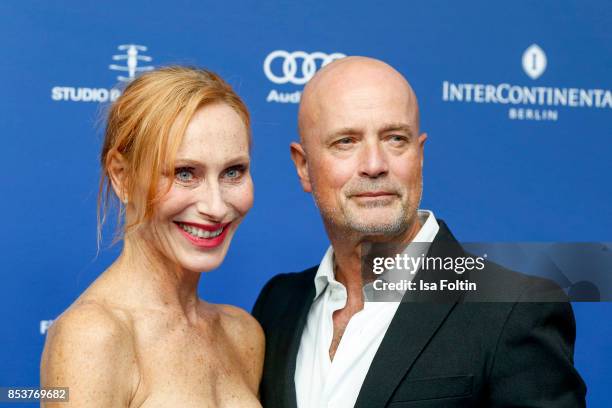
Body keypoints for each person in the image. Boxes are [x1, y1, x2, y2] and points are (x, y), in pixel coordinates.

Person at [252, 57, 586, 407]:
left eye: (395, 139)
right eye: (346, 142)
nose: (375, 165)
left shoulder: (513, 307)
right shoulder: (278, 304)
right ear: (303, 166)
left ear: (419, 155)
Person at [40, 66, 264, 407]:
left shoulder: (243, 334)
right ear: (122, 177)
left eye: (233, 172)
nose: (217, 207)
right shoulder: (93, 337)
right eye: (184, 173)